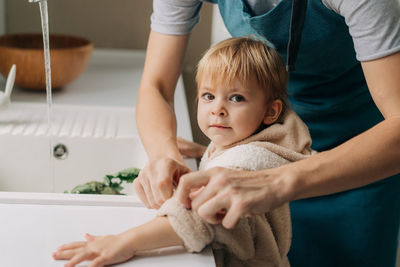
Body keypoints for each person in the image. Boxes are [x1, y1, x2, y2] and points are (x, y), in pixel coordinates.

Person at [134, 1, 400, 267]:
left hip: (361, 155)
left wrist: (277, 181)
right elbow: (155, 85)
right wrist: (165, 156)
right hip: (264, 145)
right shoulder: (256, 155)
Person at [53, 37, 314, 267]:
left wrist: (125, 241)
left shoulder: (247, 161)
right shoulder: (249, 142)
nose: (218, 109)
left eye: (236, 98)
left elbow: (199, 216)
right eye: (209, 96)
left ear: (271, 112)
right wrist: (204, 153)